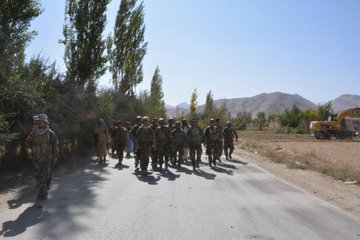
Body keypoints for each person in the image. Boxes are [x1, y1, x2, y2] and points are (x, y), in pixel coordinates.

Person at [26, 114, 59, 208]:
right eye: (39, 121)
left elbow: (55, 146)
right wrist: (28, 148)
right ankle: (43, 193)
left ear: (46, 122)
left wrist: (55, 157)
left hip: (46, 160)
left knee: (43, 178)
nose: (40, 123)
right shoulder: (34, 131)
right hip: (36, 159)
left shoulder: (50, 133)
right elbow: (27, 141)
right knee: (38, 178)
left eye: (42, 122)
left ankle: (40, 198)